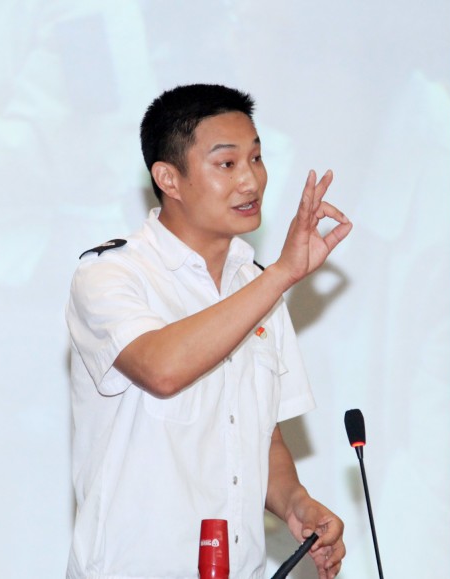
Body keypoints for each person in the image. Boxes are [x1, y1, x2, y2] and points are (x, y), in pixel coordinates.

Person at [66, 83, 351, 578]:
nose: (251, 180)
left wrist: (295, 502)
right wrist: (282, 275)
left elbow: (262, 437)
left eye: (256, 158)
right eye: (227, 163)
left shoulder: (256, 284)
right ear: (169, 178)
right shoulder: (111, 274)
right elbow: (162, 369)